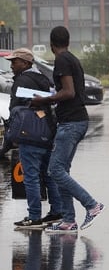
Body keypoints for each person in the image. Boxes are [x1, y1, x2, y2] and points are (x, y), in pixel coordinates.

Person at [31, 26, 104, 233]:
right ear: (68, 41)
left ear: (51, 44)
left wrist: (45, 100)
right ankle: (68, 220)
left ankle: (92, 204)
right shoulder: (71, 59)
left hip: (71, 122)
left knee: (55, 170)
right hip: (76, 121)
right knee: (62, 170)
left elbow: (69, 92)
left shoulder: (62, 60)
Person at [7, 48, 63, 229]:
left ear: (26, 64)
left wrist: (12, 135)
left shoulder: (22, 81)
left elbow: (15, 109)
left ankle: (34, 217)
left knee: (30, 176)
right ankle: (56, 211)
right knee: (49, 174)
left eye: (15, 62)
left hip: (29, 134)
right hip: (47, 131)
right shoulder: (43, 78)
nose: (12, 65)